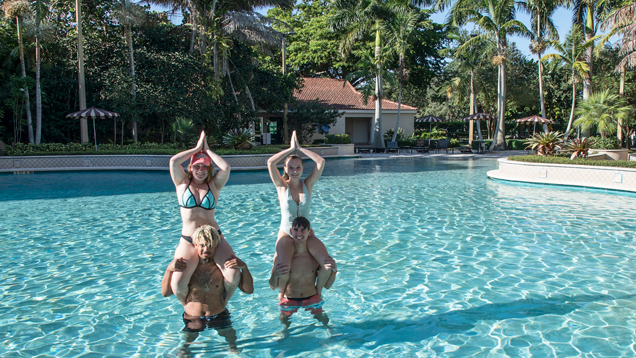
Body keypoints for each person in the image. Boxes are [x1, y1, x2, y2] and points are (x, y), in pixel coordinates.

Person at [169, 131, 239, 306]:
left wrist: (207, 150)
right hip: (189, 240)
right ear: (191, 167)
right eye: (197, 166)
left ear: (209, 168)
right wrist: (196, 149)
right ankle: (189, 306)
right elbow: (173, 162)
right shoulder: (181, 183)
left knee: (233, 274)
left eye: (204, 167)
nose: (201, 170)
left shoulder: (214, 185)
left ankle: (224, 302)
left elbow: (226, 167)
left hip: (214, 237)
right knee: (177, 284)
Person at [162, 225, 254, 351]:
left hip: (219, 314)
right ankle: (185, 349)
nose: (206, 249)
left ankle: (234, 350)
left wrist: (244, 267)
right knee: (187, 343)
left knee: (232, 342)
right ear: (195, 245)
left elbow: (248, 290)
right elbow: (165, 293)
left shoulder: (223, 269)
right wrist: (169, 269)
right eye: (202, 245)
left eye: (210, 245)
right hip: (192, 317)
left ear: (216, 246)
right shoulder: (187, 270)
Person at [266, 131, 334, 300]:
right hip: (286, 233)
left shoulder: (308, 184)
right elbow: (270, 162)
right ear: (286, 169)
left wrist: (301, 148)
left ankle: (318, 293)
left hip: (306, 233)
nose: (295, 171)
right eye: (291, 167)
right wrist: (291, 149)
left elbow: (321, 162)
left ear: (303, 169)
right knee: (283, 266)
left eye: (298, 167)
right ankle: (282, 295)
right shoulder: (282, 187)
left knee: (327, 264)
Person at [269, 217, 337, 338]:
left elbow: (328, 285)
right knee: (285, 325)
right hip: (289, 299)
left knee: (325, 322)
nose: (299, 234)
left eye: (302, 230)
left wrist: (334, 272)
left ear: (309, 232)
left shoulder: (316, 257)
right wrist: (274, 275)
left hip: (312, 297)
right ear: (291, 232)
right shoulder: (282, 257)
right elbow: (272, 286)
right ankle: (284, 335)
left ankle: (331, 333)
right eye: (296, 230)